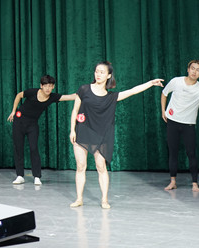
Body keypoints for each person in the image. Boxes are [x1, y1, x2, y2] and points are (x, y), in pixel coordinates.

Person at [69, 61, 163, 209]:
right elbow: (75, 110)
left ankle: (104, 200)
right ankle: (79, 198)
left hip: (102, 135)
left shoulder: (111, 97)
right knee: (80, 166)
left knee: (101, 167)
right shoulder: (84, 89)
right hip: (83, 131)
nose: (98, 74)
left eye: (102, 72)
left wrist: (151, 83)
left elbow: (133, 91)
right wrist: (72, 130)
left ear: (109, 75)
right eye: (97, 71)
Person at [7, 75, 76, 185]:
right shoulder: (32, 92)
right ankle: (20, 176)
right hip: (19, 122)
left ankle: (37, 177)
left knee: (34, 148)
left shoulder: (53, 97)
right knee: (18, 149)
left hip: (32, 125)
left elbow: (70, 97)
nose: (48, 88)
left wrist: (86, 92)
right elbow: (19, 95)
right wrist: (13, 111)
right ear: (41, 86)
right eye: (46, 86)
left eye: (50, 86)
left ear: (53, 87)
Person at [161, 60, 199, 192]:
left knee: (191, 153)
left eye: (198, 70)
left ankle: (194, 183)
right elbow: (164, 93)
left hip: (189, 125)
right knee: (173, 152)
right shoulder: (176, 81)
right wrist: (163, 111)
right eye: (192, 68)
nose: (194, 71)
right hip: (172, 122)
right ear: (188, 69)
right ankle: (173, 182)